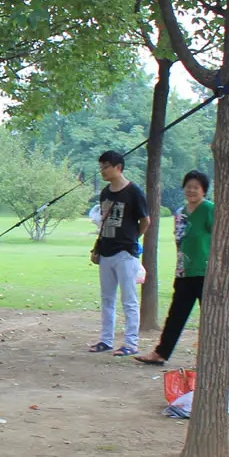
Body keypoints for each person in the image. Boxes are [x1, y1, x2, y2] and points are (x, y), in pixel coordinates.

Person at [134, 171, 214, 366]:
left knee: (210, 318)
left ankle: (210, 358)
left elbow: (218, 237)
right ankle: (161, 353)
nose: (191, 190)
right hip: (184, 272)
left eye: (196, 187)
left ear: (204, 190)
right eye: (188, 186)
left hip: (206, 273)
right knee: (175, 315)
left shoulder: (209, 209)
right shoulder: (180, 213)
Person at [87, 151, 151, 357]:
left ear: (118, 167)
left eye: (106, 167)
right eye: (101, 167)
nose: (102, 171)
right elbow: (104, 222)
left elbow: (145, 221)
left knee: (129, 299)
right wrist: (98, 247)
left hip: (125, 253)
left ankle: (131, 343)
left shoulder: (134, 192)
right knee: (107, 298)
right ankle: (106, 340)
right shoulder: (105, 193)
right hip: (106, 251)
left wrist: (132, 238)